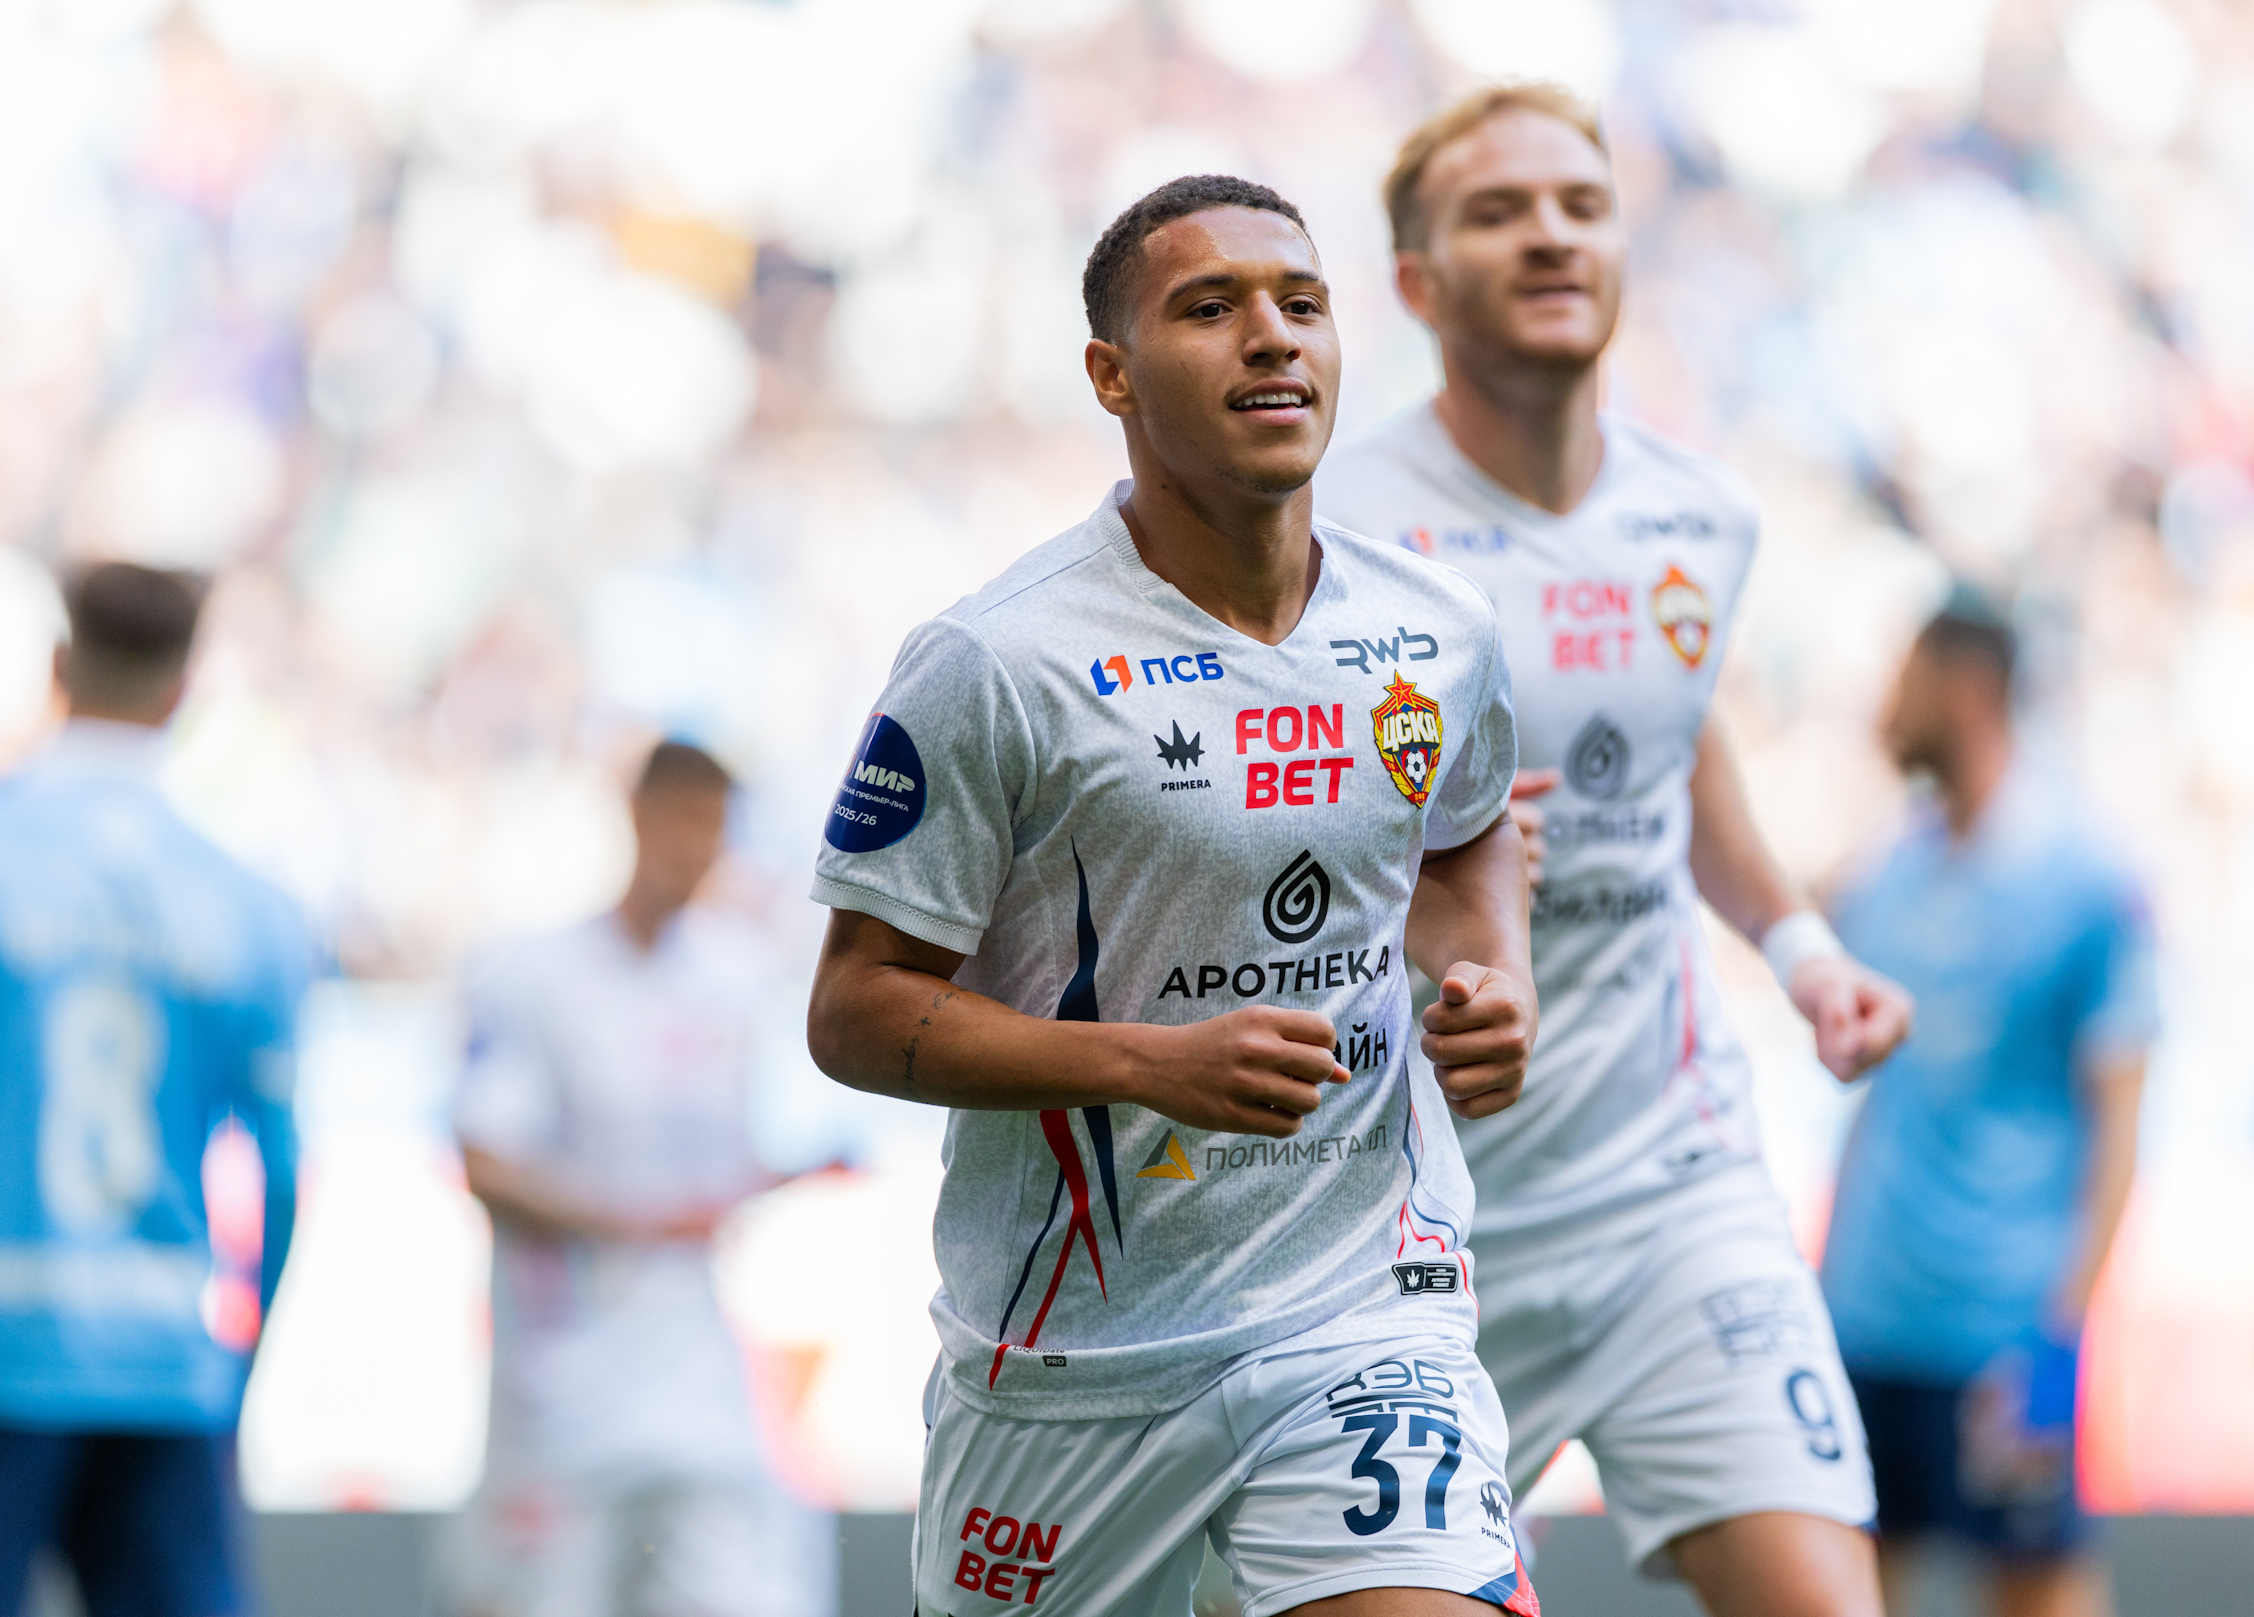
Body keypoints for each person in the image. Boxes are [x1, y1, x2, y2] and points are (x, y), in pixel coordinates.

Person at [807, 173, 1542, 1616]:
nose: (1270, 335)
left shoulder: (1437, 631)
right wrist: (1148, 1064)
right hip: (1075, 1363)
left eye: (1300, 304)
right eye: (1209, 308)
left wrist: (1491, 973)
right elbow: (853, 1010)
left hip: (1362, 1312)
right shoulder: (995, 662)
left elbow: (1464, 841)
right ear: (1112, 374)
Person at [1317, 85, 1914, 1616]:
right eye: (1498, 210)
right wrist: (1424, 869)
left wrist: (1801, 950)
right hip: (1408, 1233)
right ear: (1415, 283)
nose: (1549, 235)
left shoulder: (1698, 515)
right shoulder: (1331, 532)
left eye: (1578, 205)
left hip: (1670, 1189)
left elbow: (1671, 745)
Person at [0, 562, 311, 1617]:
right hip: (163, 1358)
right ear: (183, 691)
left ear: (58, 666)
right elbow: (281, 1168)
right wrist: (238, 1356)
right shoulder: (248, 902)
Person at [444, 741, 831, 1617]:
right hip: (562, 1379)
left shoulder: (737, 979)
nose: (693, 851)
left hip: (697, 1373)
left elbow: (769, 1152)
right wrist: (632, 1220)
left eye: (711, 831)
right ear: (637, 816)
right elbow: (486, 1159)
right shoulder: (532, 976)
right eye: (681, 823)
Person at [1822, 599, 2153, 1617]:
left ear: (1964, 690)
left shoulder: (2085, 882)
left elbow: (2119, 1129)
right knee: (1846, 1590)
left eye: (1904, 677)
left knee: (2037, 1594)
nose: (1883, 706)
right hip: (1869, 1317)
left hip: (2000, 1332)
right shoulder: (1887, 871)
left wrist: (2060, 1340)